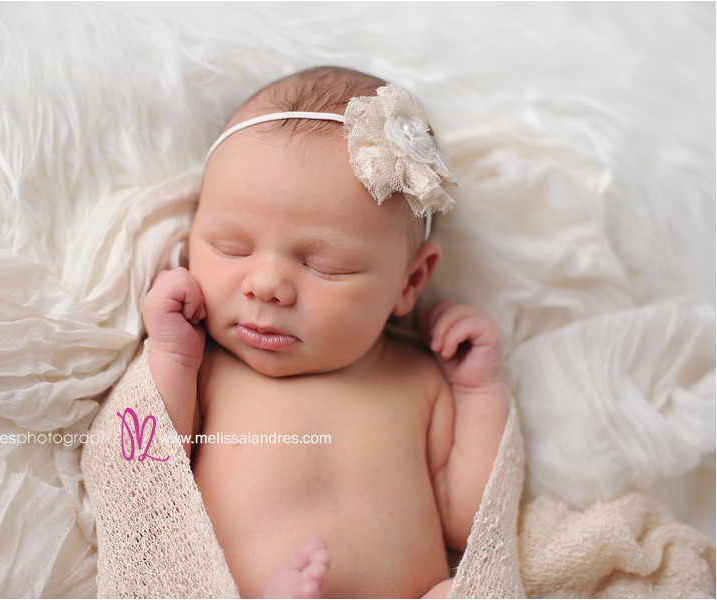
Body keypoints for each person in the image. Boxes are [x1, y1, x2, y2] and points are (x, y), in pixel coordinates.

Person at [141, 66, 509, 598]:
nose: (266, 286)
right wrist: (170, 357)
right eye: (232, 248)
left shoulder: (418, 380)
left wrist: (479, 391)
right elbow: (143, 468)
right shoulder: (205, 371)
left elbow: (470, 521)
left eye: (326, 266)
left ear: (411, 281)